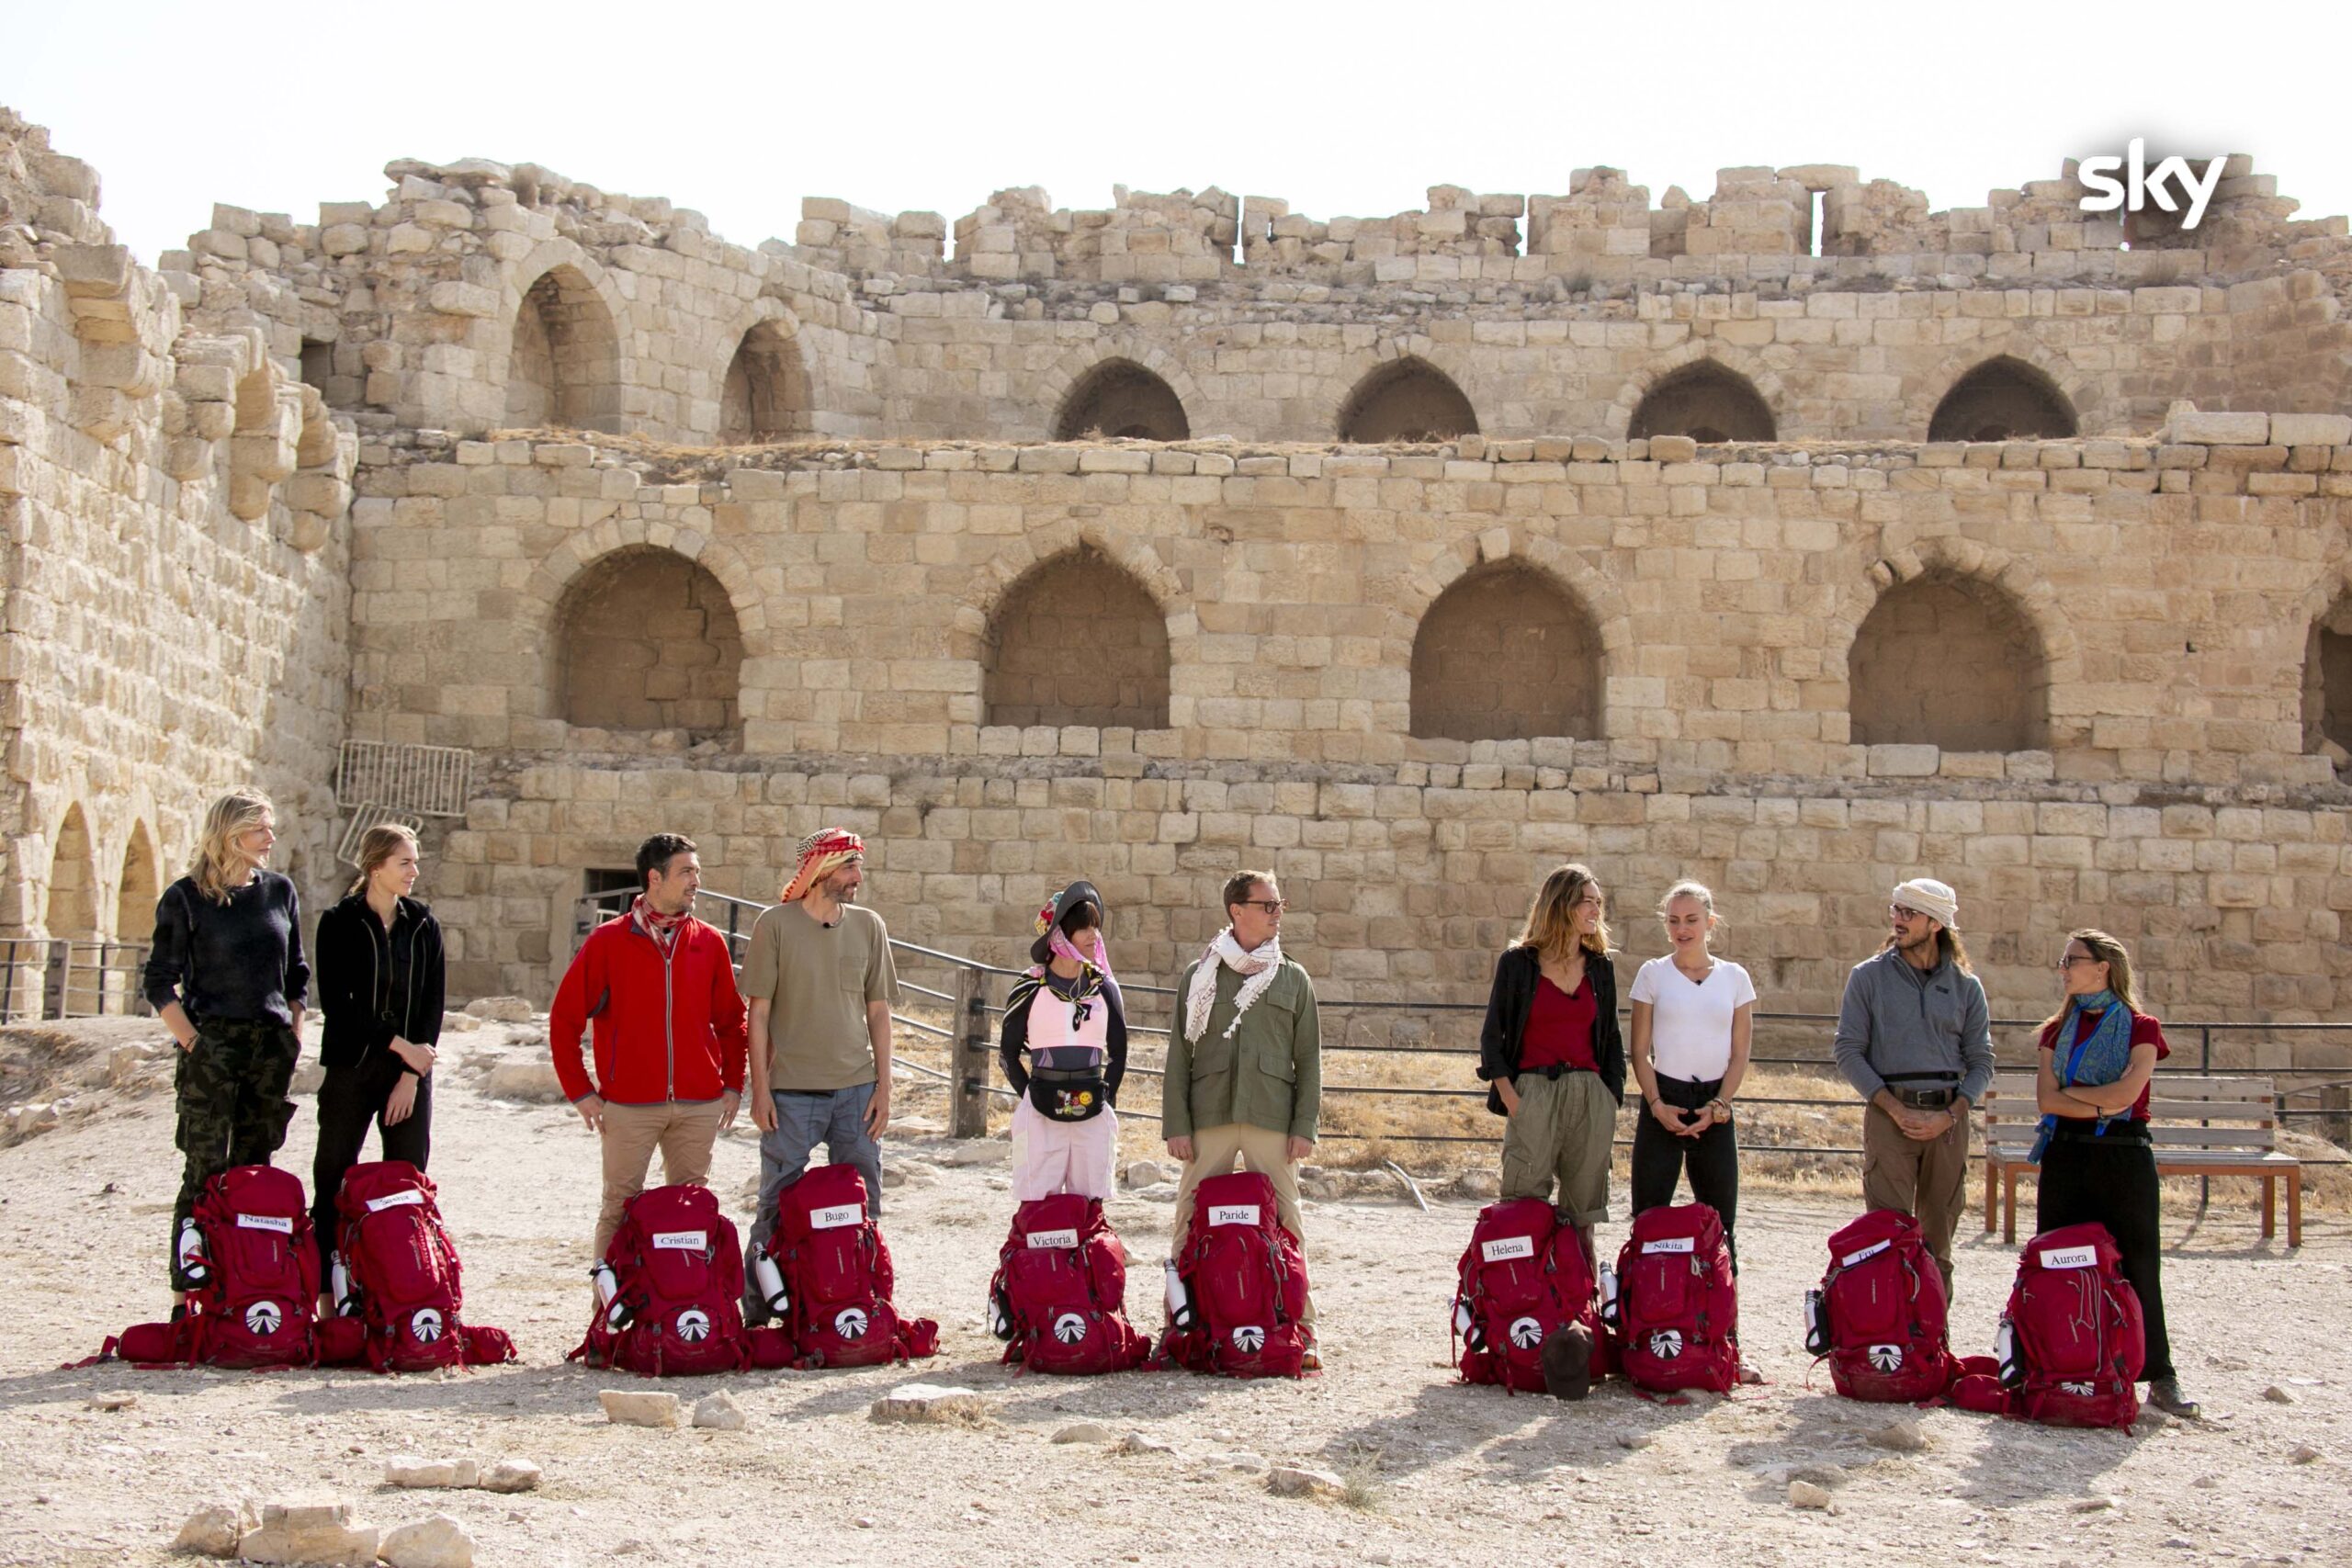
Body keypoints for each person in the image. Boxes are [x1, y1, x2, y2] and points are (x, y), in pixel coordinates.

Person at [142, 787, 310, 1301]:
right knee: (204, 1169)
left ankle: (245, 1292)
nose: (270, 837)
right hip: (211, 1047)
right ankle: (185, 1299)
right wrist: (194, 1043)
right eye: (260, 828)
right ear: (231, 835)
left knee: (256, 1172)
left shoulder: (280, 891)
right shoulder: (186, 898)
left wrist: (293, 1034)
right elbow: (158, 981)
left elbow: (297, 975)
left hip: (270, 1050)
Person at [549, 832, 747, 1265]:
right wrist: (580, 1091)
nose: (696, 881)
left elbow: (732, 1022)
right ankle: (608, 1304)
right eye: (686, 872)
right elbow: (564, 1020)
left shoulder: (709, 940)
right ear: (655, 878)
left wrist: (733, 1083)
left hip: (698, 1103)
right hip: (629, 1105)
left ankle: (686, 1302)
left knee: (692, 1210)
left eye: (697, 871)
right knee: (618, 1210)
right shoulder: (607, 941)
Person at [2033, 929, 2199, 1417]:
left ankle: (2158, 1375)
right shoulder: (2055, 1030)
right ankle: (2056, 1365)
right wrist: (2101, 1099)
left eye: (2072, 960)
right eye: (2063, 960)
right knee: (2058, 1261)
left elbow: (2128, 1095)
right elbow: (2046, 1101)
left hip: (2123, 1157)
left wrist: (2079, 1096)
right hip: (2065, 1154)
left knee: (2139, 1265)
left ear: (2103, 966)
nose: (2062, 969)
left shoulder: (2142, 1027)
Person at [738, 828, 899, 1322]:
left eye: (858, 866)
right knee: (774, 1204)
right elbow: (758, 1015)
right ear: (820, 870)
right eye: (850, 866)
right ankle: (756, 1311)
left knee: (864, 1204)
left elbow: (879, 1012)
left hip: (857, 1092)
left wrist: (885, 1088)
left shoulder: (869, 925)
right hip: (790, 1093)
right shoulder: (774, 925)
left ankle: (864, 1302)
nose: (858, 877)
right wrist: (759, 1090)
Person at [1163, 868, 1322, 1362]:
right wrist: (1177, 1125)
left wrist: (1304, 1126)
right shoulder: (1200, 975)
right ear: (1237, 910)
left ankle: (1302, 1327)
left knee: (1287, 1220)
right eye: (1267, 905)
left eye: (1279, 905)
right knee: (1189, 1217)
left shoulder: (1293, 978)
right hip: (1209, 1114)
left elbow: (1309, 1059)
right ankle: (1178, 1324)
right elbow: (1179, 1056)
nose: (1277, 913)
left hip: (1271, 1116)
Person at [1476, 863, 1623, 1396]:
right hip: (1534, 1093)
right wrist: (1515, 1099)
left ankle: (1585, 1334)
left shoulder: (1601, 967)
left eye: (1598, 901)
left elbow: (1611, 1039)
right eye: (1588, 900)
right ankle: (1522, 1329)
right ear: (1562, 904)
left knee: (1583, 1219)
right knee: (1523, 1212)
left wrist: (1609, 1096)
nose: (1596, 909)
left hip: (1589, 1095)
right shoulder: (1518, 964)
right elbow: (1493, 1037)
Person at [1831, 875, 1993, 1295]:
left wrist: (1951, 1114)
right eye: (1896, 910)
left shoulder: (1966, 987)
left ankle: (1935, 1328)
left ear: (1936, 923)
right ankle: (1889, 1331)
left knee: (1939, 1238)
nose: (1897, 920)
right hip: (1889, 1116)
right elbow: (1848, 1050)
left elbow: (1981, 1061)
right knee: (1886, 1235)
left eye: (1909, 913)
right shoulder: (1867, 977)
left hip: (1948, 1121)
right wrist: (1894, 1108)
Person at [310, 824, 446, 1300]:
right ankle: (327, 1297)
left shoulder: (423, 924)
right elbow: (339, 1006)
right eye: (405, 862)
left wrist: (410, 1073)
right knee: (331, 1176)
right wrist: (399, 1045)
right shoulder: (338, 922)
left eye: (415, 862)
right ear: (375, 867)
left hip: (408, 1074)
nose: (414, 871)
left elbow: (432, 1005)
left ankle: (399, 1292)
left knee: (407, 1182)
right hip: (351, 1068)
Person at [1627, 880, 1755, 1257]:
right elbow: (1639, 1051)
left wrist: (1720, 1105)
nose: (1682, 929)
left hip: (1715, 1103)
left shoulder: (1735, 977)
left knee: (1721, 1224)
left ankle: (1724, 1293)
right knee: (1647, 1215)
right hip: (1663, 1099)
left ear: (1710, 922)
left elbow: (1740, 1053)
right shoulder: (1652, 973)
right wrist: (1656, 1105)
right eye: (1674, 920)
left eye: (1691, 920)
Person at [1001, 881, 1128, 1203]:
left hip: (1093, 1112)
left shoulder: (1104, 989)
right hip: (1040, 1114)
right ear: (1059, 934)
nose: (1093, 935)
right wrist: (1032, 1097)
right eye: (1083, 928)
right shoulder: (1030, 987)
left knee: (1090, 1205)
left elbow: (1118, 1053)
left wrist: (1104, 1100)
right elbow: (1008, 1054)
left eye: (1095, 927)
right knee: (1037, 1207)